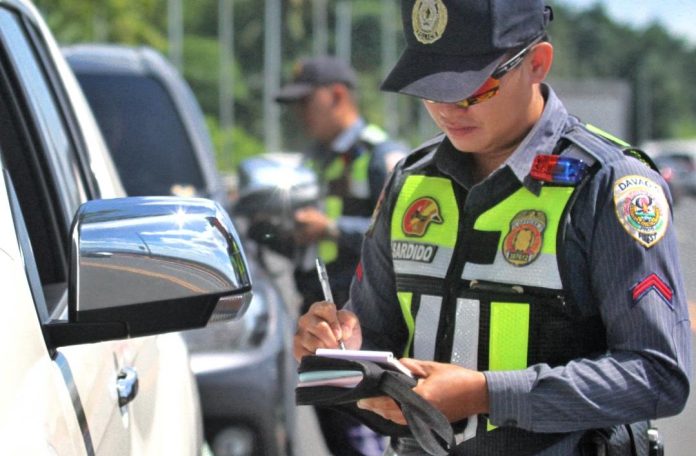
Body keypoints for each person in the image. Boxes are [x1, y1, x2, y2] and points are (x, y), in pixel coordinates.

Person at [293, 1, 692, 455]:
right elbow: (375, 336)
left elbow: (657, 375)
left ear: (537, 63)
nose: (447, 108)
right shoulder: (410, 182)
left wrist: (487, 394)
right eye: (431, 88)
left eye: (471, 89)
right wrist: (337, 351)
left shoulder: (608, 183)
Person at [275, 56, 408, 455]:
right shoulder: (316, 159)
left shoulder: (381, 155)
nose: (300, 114)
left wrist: (331, 228)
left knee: (363, 434)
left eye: (305, 102)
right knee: (337, 435)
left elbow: (404, 234)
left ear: (336, 95)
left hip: (361, 324)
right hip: (318, 319)